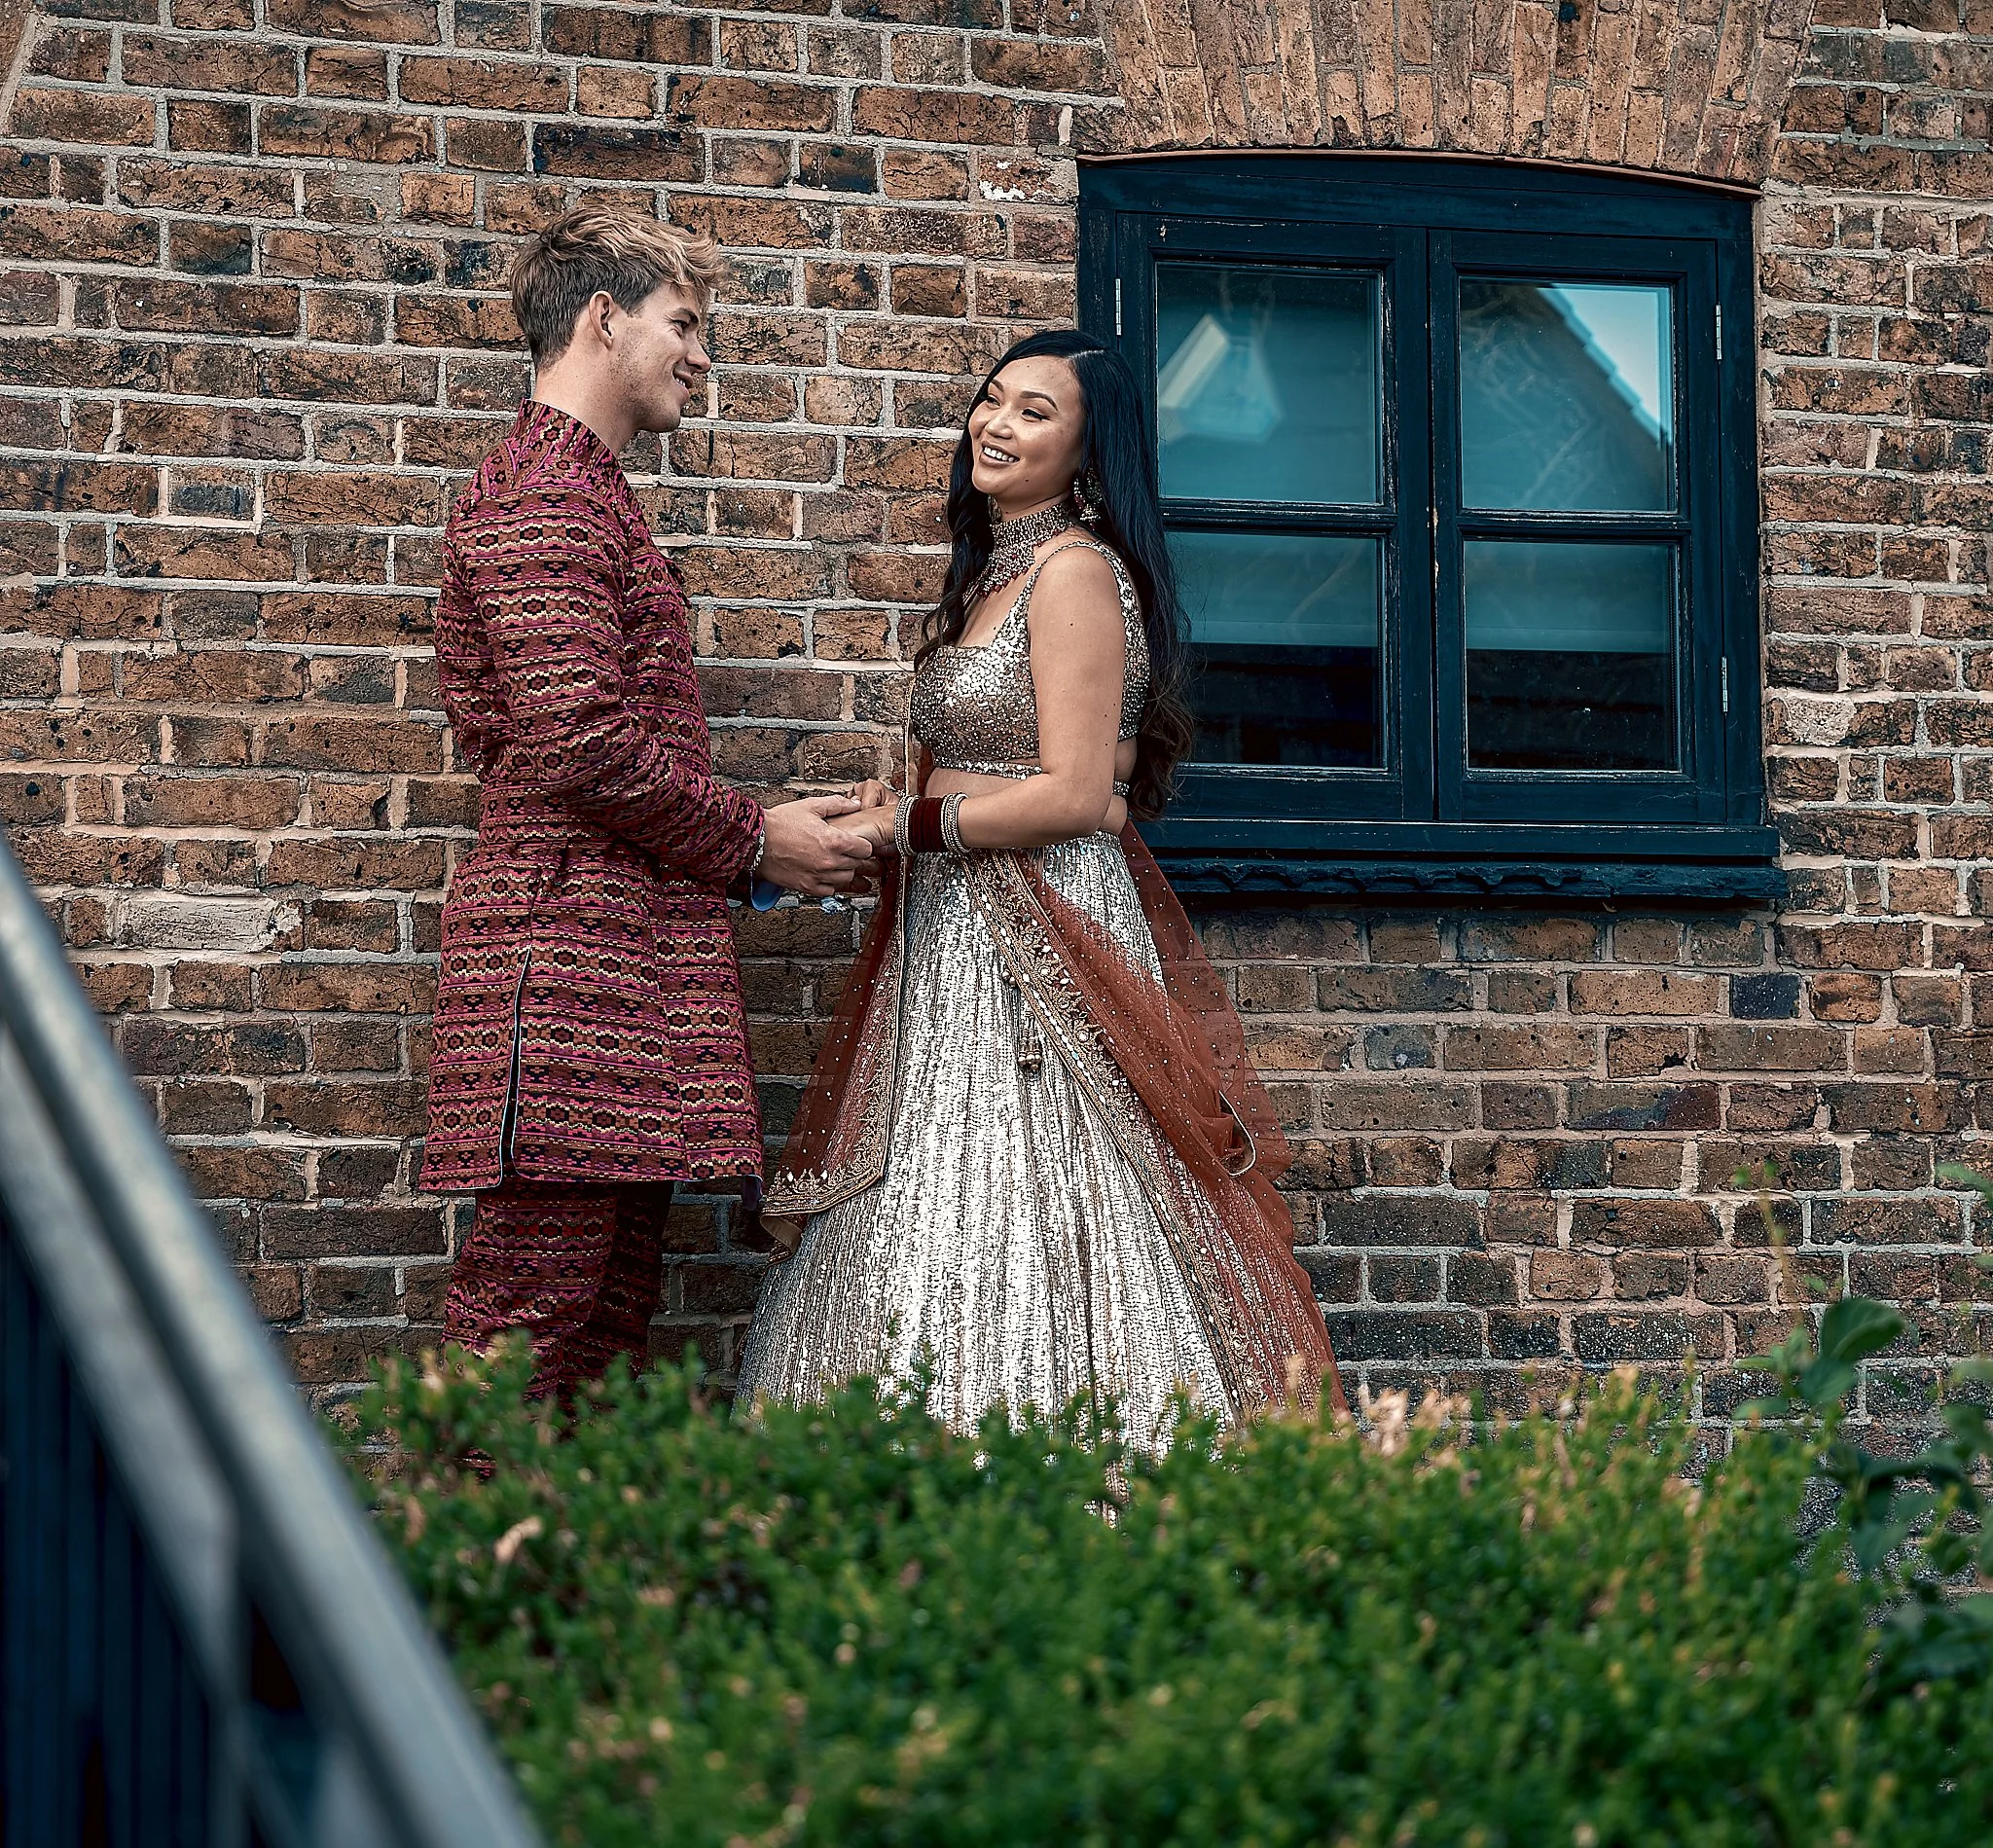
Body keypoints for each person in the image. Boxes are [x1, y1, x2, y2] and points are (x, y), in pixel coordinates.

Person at [738, 331, 1342, 1447]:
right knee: (930, 1193)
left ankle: (1081, 1467)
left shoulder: (1071, 571)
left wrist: (906, 822)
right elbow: (1065, 770)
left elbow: (1070, 794)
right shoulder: (997, 572)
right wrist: (899, 795)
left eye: (1031, 413)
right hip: (957, 933)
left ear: (1084, 457)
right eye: (989, 400)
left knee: (1047, 1190)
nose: (994, 425)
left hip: (1041, 935)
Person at [422, 206, 872, 1396]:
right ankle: (461, 1578)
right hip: (564, 958)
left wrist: (767, 826)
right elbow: (579, 744)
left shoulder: (586, 493)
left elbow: (608, 742)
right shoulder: (540, 498)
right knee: (535, 1323)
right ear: (603, 318)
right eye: (684, 324)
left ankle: (551, 1579)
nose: (702, 355)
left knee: (596, 1326)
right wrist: (756, 840)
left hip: (613, 956)